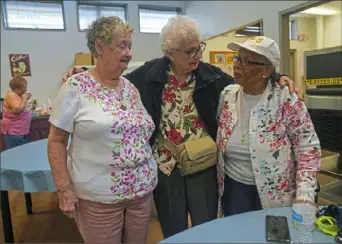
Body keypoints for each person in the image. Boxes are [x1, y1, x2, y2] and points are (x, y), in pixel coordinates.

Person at [64, 16, 299, 238]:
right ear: (170, 53)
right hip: (166, 168)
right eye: (189, 51)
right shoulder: (149, 75)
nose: (197, 55)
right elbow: (112, 74)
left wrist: (278, 77)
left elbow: (249, 81)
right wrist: (83, 73)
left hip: (204, 165)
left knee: (207, 227)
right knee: (173, 228)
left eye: (199, 47)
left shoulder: (212, 76)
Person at [47, 16, 157, 244]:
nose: (128, 53)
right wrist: (64, 190)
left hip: (141, 194)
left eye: (130, 46)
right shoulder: (75, 87)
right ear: (99, 46)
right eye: (122, 46)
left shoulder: (130, 89)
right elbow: (56, 141)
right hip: (99, 198)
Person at [216, 36, 321, 217]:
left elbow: (307, 148)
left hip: (275, 192)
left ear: (266, 70)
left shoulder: (286, 99)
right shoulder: (227, 95)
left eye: (246, 61)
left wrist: (305, 193)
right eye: (238, 58)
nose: (237, 65)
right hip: (233, 187)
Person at [1, 76, 32, 149]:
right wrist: (25, 98)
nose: (26, 89)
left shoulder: (18, 95)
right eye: (24, 87)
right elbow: (18, 109)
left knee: (23, 152)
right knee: (17, 154)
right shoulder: (11, 95)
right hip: (14, 132)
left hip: (21, 131)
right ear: (17, 89)